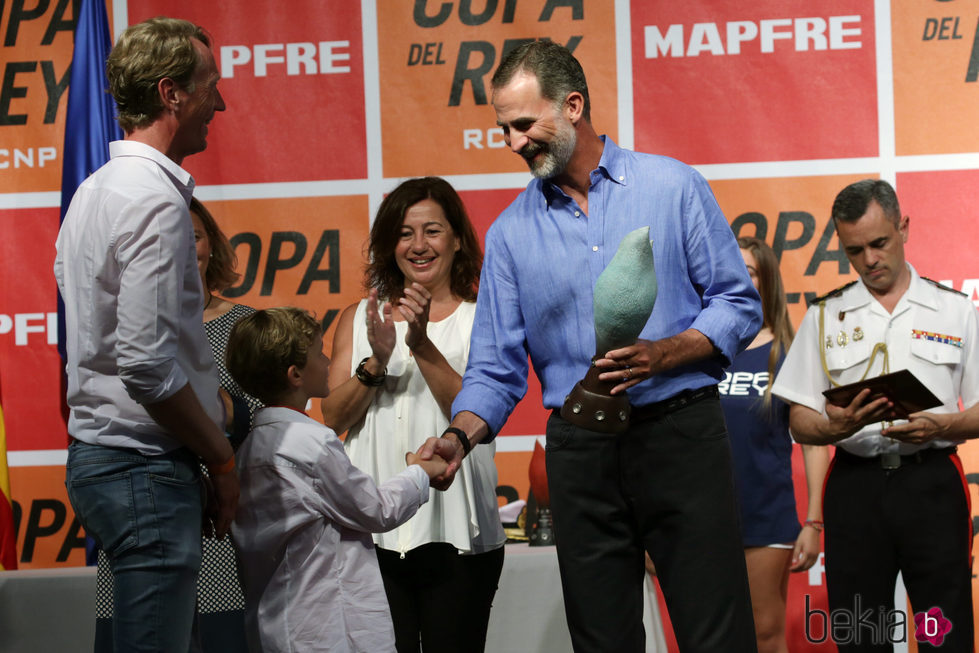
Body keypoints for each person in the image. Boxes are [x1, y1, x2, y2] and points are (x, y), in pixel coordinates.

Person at [419, 41, 763, 652]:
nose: (513, 142)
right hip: (580, 450)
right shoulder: (508, 235)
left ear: (573, 105)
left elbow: (737, 303)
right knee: (601, 642)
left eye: (524, 124)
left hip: (682, 435)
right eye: (503, 129)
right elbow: (496, 373)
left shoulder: (674, 186)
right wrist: (458, 437)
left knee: (717, 634)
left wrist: (670, 351)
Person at [54, 17, 235, 652]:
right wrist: (222, 454)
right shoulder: (155, 201)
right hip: (144, 469)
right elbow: (148, 369)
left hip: (113, 463)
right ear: (171, 94)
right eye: (210, 84)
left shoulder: (92, 192)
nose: (221, 100)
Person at [772, 179, 977, 652]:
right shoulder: (825, 315)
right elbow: (799, 420)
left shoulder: (954, 310)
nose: (869, 260)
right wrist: (834, 427)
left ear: (903, 227)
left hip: (932, 486)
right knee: (863, 633)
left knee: (943, 631)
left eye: (879, 243)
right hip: (855, 489)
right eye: (854, 250)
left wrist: (942, 425)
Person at [320, 176, 505, 652]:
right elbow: (333, 418)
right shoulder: (358, 319)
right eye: (405, 233)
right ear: (389, 244)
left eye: (433, 231)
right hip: (373, 537)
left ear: (458, 238)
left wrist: (420, 344)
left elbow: (475, 413)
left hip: (459, 534)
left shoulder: (481, 317)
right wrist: (377, 362)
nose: (418, 245)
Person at [226, 307, 447, 653]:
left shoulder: (247, 450)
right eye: (319, 353)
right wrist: (421, 472)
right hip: (327, 631)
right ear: (295, 374)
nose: (328, 360)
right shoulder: (311, 444)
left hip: (273, 629)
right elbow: (376, 509)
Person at [93, 198, 259, 651]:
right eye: (173, 238)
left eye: (196, 236)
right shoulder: (124, 332)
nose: (186, 248)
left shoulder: (247, 327)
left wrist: (216, 411)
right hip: (146, 520)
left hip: (225, 530)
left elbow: (274, 428)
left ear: (213, 245)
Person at [721, 236, 829, 653]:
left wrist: (813, 521)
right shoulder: (700, 349)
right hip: (705, 517)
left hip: (765, 515)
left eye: (748, 272)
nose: (737, 279)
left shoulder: (788, 352)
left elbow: (814, 442)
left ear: (766, 282)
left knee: (764, 632)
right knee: (716, 636)